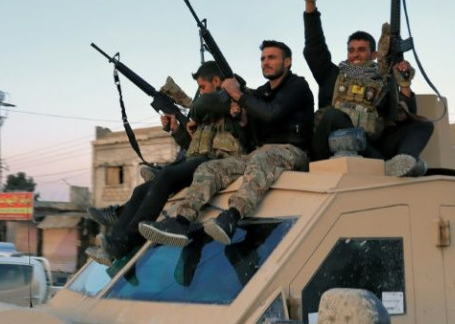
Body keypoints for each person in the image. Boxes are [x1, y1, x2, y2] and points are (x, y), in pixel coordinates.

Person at [140, 40, 314, 246]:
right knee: (210, 168)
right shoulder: (261, 92)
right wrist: (241, 117)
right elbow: (252, 125)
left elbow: (271, 114)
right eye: (263, 58)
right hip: (260, 153)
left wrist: (238, 95)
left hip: (292, 151)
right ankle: (181, 221)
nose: (266, 62)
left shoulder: (297, 86)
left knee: (262, 158)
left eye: (272, 57)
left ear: (288, 62)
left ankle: (231, 216)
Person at [85, 61, 248, 265]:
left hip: (219, 163)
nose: (200, 92)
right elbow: (193, 147)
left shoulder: (233, 99)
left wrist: (194, 115)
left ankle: (128, 239)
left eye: (202, 87)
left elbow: (215, 141)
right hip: (201, 161)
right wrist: (176, 130)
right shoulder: (208, 114)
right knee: (141, 190)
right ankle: (115, 245)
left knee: (166, 176)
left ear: (217, 81)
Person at [302, 0, 433, 176]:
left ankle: (403, 162)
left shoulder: (381, 80)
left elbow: (404, 115)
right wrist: (310, 1)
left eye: (361, 50)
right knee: (334, 115)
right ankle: (386, 164)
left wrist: (404, 84)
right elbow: (314, 46)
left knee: (424, 125)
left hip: (370, 149)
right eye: (351, 50)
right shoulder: (332, 75)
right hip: (329, 148)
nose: (355, 55)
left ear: (373, 54)